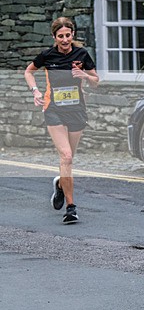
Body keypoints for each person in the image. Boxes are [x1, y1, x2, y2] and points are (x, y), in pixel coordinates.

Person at [24, 17, 100, 224]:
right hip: (54, 110)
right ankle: (71, 208)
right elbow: (28, 71)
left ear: (72, 35)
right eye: (60, 36)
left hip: (77, 111)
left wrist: (84, 76)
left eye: (68, 35)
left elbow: (96, 82)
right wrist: (35, 91)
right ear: (54, 37)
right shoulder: (47, 56)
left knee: (69, 159)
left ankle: (60, 185)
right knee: (65, 157)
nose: (65, 40)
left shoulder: (82, 54)